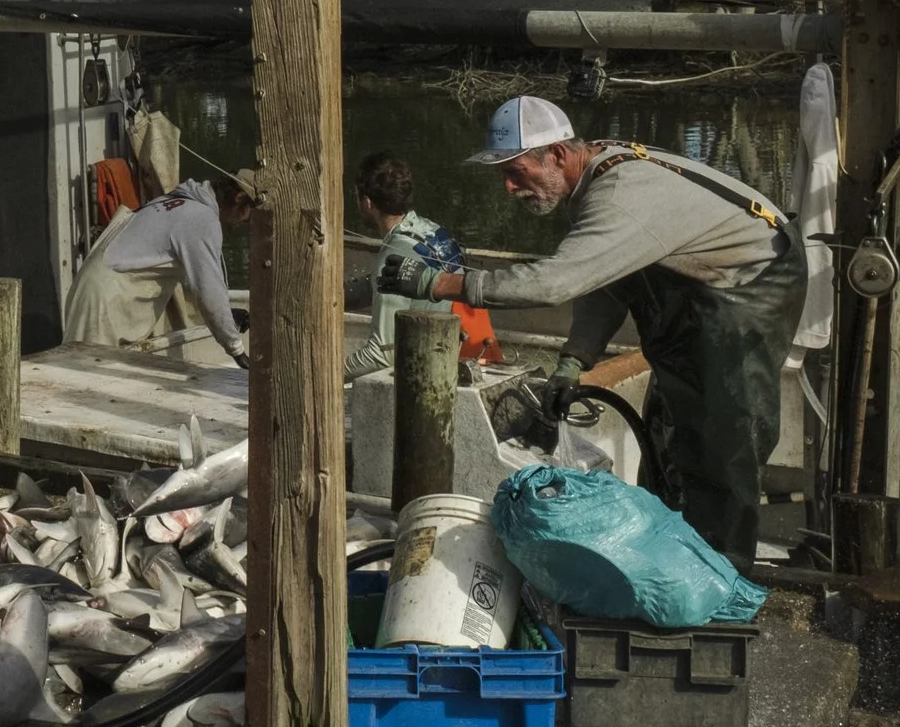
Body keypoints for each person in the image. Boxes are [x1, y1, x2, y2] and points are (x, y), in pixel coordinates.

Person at [380, 95, 804, 564]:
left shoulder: (619, 195)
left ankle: (724, 581)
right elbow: (610, 280)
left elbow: (555, 282)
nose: (508, 187)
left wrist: (441, 283)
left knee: (722, 443)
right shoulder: (593, 180)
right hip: (704, 291)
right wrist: (574, 360)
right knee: (673, 434)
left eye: (516, 171)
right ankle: (675, 556)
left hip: (749, 287)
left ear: (558, 155)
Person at [63, 174, 254, 365]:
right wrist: (236, 349)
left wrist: (226, 317)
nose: (247, 223)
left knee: (83, 370)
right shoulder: (203, 219)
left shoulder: (174, 201)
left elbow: (193, 280)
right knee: (86, 374)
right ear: (238, 198)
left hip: (92, 286)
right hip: (105, 301)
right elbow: (209, 292)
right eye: (250, 214)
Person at [343, 153, 457, 381]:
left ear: (367, 202)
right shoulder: (433, 232)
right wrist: (330, 298)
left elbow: (380, 356)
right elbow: (393, 286)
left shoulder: (394, 253)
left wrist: (318, 374)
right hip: (456, 355)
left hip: (425, 377)